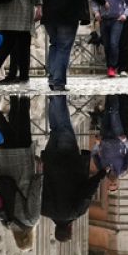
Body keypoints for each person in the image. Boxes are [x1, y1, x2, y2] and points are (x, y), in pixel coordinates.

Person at [41, 95, 104, 242]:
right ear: (56, 229)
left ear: (69, 229)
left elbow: (88, 191)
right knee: (56, 129)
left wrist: (101, 174)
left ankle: (57, 93)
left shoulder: (76, 212)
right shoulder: (44, 210)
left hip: (70, 160)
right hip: (50, 159)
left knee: (64, 127)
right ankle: (53, 98)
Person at [0, 95, 42, 249]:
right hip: (3, 165)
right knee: (9, 135)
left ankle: (21, 93)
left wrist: (40, 172)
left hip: (22, 166)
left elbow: (34, 193)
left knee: (23, 122)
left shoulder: (32, 220)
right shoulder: (5, 221)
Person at [94, 0, 128, 77]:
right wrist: (96, 12)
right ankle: (109, 66)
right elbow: (94, 1)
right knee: (106, 44)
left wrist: (125, 14)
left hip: (117, 20)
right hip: (104, 19)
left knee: (114, 43)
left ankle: (112, 67)